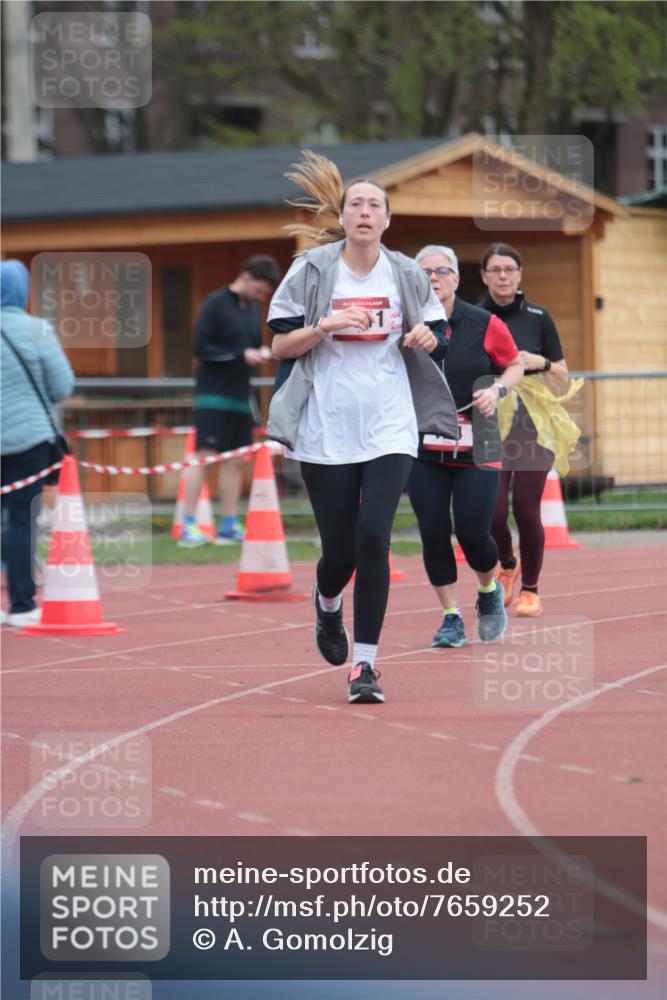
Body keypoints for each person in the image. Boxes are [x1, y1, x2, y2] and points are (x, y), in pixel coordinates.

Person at [267, 151, 457, 704]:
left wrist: (427, 339)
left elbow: (438, 336)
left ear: (388, 219)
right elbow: (280, 344)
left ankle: (365, 666)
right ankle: (328, 605)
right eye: (357, 204)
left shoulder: (403, 273)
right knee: (341, 553)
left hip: (389, 426)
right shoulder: (314, 269)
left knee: (374, 536)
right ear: (344, 216)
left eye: (376, 205)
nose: (366, 213)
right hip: (325, 426)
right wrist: (321, 325)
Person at [408, 246, 523, 648]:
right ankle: (451, 616)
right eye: (424, 273)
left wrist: (497, 389)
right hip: (424, 447)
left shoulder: (483, 322)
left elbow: (514, 364)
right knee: (434, 531)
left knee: (474, 532)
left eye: (442, 271)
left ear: (457, 279)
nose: (434, 278)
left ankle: (489, 591)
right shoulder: (407, 324)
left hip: (480, 442)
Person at [480, 242, 576, 617]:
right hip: (490, 422)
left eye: (510, 269)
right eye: (496, 270)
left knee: (526, 506)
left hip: (533, 426)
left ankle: (531, 590)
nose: (503, 276)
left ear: (520, 275)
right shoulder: (475, 316)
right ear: (484, 276)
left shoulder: (539, 317)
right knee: (492, 512)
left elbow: (563, 377)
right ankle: (507, 563)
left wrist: (542, 361)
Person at [179, 255, 281, 547]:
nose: (262, 297)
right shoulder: (214, 303)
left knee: (235, 460)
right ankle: (188, 524)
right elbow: (200, 347)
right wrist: (240, 355)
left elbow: (246, 345)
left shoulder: (252, 309)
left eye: (265, 294)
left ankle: (228, 524)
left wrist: (259, 351)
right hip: (212, 393)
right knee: (205, 456)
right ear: (246, 278)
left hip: (241, 394)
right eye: (260, 291)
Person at [1, 259, 75, 627]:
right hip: (27, 438)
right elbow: (62, 387)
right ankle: (21, 605)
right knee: (20, 520)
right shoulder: (37, 329)